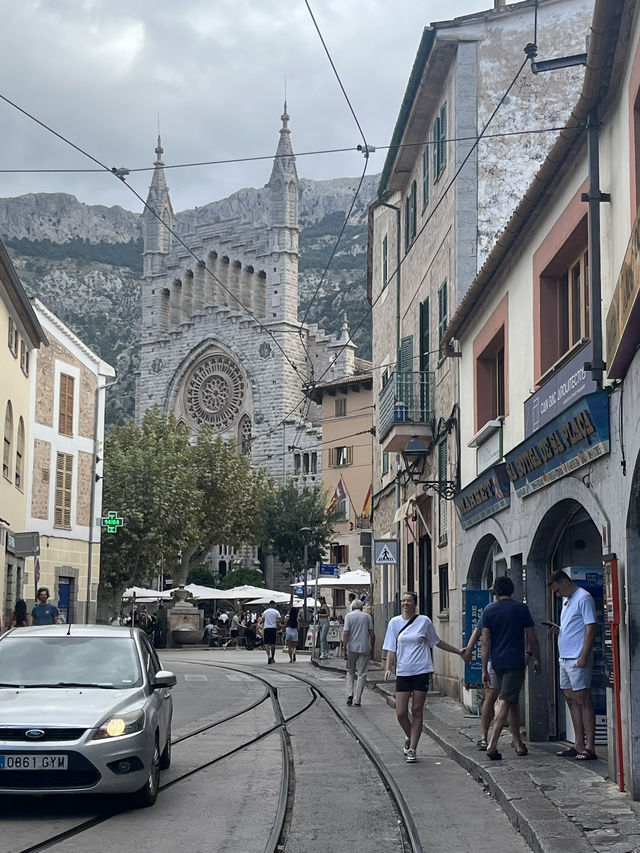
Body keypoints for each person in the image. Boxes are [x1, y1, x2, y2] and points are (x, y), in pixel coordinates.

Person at [383, 591, 464, 763]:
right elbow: (391, 647)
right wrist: (388, 667)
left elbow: (437, 642)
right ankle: (410, 736)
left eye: (409, 601)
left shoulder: (424, 622)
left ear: (415, 603)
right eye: (403, 601)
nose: (405, 603)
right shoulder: (394, 622)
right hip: (403, 671)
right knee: (400, 712)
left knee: (417, 710)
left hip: (421, 670)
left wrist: (458, 651)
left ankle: (412, 748)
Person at [482, 576, 541, 761]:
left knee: (512, 701)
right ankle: (493, 744)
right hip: (515, 661)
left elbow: (485, 642)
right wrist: (536, 658)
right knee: (506, 701)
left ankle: (518, 743)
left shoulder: (489, 610)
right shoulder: (521, 609)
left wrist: (484, 669)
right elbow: (532, 638)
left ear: (496, 592)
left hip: (497, 661)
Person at [548, 569, 598, 761]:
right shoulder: (566, 600)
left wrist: (584, 654)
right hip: (565, 657)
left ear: (565, 582)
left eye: (558, 590)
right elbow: (574, 626)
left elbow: (590, 627)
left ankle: (590, 746)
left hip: (577, 657)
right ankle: (577, 743)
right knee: (569, 697)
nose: (558, 594)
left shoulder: (583, 598)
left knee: (582, 698)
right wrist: (559, 630)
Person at [462, 611, 501, 750]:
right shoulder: (514, 609)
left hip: (492, 660)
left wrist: (469, 649)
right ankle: (515, 740)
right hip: (508, 660)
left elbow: (477, 632)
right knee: (506, 700)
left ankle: (484, 737)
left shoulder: (489, 611)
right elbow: (478, 632)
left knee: (490, 698)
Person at [343, 598, 374, 707]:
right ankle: (357, 700)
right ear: (361, 608)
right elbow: (372, 634)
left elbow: (346, 633)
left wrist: (344, 648)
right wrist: (372, 648)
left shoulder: (348, 616)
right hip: (365, 647)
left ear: (352, 607)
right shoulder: (367, 617)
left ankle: (349, 694)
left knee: (350, 671)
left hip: (352, 647)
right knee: (362, 674)